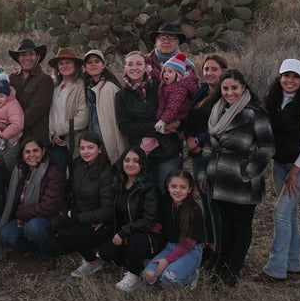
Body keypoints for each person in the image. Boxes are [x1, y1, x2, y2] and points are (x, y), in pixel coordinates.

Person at [199, 68, 274, 287]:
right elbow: (209, 145)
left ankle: (234, 268)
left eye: (234, 88)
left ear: (243, 87)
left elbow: (267, 146)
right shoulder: (218, 111)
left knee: (241, 225)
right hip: (220, 178)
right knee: (224, 223)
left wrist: (248, 171)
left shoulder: (254, 112)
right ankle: (222, 262)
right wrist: (205, 172)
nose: (230, 93)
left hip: (243, 179)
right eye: (225, 88)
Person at [254, 59, 300, 284]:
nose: (290, 81)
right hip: (279, 163)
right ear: (279, 77)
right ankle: (293, 265)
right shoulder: (273, 101)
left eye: (295, 77)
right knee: (289, 214)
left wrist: (295, 172)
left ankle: (276, 269)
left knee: (281, 213)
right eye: (286, 76)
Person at [182, 54, 228, 268]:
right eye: (206, 69)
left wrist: (199, 140)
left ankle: (221, 249)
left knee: (214, 203)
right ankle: (209, 245)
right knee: (205, 200)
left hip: (214, 155)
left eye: (214, 69)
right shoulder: (201, 90)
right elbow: (192, 118)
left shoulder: (225, 95)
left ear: (223, 72)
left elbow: (221, 125)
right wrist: (190, 139)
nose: (209, 73)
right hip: (197, 155)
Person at [0, 138, 66, 266]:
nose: (31, 155)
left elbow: (49, 206)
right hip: (24, 216)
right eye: (27, 152)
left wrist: (21, 213)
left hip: (47, 217)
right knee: (5, 236)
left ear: (43, 151)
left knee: (34, 227)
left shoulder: (52, 172)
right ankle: (38, 248)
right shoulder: (19, 170)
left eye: (35, 151)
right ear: (22, 154)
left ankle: (46, 255)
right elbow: (8, 184)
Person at [99, 146, 161, 292]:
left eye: (135, 161)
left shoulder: (148, 186)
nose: (130, 164)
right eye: (127, 160)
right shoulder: (119, 183)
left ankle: (133, 275)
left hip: (149, 235)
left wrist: (125, 232)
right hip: (129, 233)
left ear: (142, 164)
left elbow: (150, 219)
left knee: (136, 239)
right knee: (106, 252)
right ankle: (142, 264)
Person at [115, 51, 182, 186]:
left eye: (139, 64)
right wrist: (156, 127)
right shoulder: (121, 96)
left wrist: (177, 124)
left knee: (168, 189)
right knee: (146, 194)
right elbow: (125, 127)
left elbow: (176, 110)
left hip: (167, 149)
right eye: (130, 64)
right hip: (141, 154)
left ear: (146, 67)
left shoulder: (160, 87)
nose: (134, 68)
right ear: (125, 68)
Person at [56, 132, 114, 278]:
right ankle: (86, 249)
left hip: (102, 223)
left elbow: (107, 211)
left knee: (66, 232)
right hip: (83, 216)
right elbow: (75, 195)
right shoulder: (80, 168)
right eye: (82, 148)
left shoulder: (107, 172)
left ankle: (93, 261)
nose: (86, 152)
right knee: (57, 227)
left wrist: (77, 218)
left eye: (90, 147)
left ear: (99, 149)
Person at [142, 169, 206, 288]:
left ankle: (191, 276)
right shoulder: (166, 203)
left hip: (190, 250)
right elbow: (158, 225)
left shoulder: (194, 211)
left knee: (168, 278)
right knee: (149, 274)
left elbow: (189, 243)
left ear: (189, 189)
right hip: (171, 246)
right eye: (174, 186)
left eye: (182, 187)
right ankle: (172, 271)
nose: (177, 191)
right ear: (168, 187)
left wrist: (167, 260)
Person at [48, 47, 88, 174]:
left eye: (68, 62)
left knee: (76, 177)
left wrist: (59, 130)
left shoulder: (81, 86)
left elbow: (83, 118)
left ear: (75, 65)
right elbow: (50, 114)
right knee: (57, 180)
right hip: (55, 143)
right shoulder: (55, 88)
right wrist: (52, 133)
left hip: (75, 142)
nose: (64, 66)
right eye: (61, 63)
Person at [8, 39, 54, 149]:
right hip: (13, 139)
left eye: (31, 54)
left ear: (37, 57)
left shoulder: (45, 80)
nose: (27, 58)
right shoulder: (12, 78)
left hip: (36, 139)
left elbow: (34, 111)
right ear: (18, 58)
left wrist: (9, 126)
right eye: (23, 55)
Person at [82, 49, 126, 163]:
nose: (93, 64)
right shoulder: (86, 89)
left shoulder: (110, 88)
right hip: (93, 141)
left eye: (96, 61)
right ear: (85, 68)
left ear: (103, 65)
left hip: (108, 140)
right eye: (89, 62)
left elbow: (115, 121)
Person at [154, 52, 198, 133]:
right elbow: (159, 77)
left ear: (178, 75)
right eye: (165, 71)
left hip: (174, 118)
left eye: (170, 71)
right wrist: (151, 70)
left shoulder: (178, 90)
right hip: (167, 116)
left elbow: (173, 108)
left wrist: (163, 121)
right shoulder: (170, 82)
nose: (166, 74)